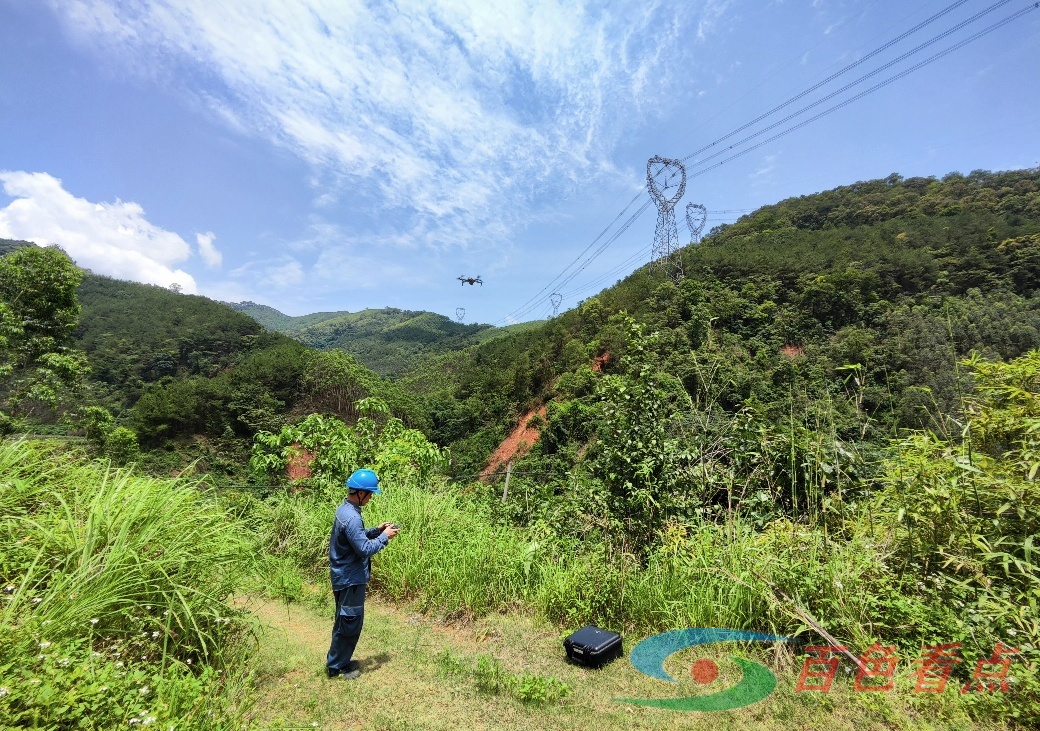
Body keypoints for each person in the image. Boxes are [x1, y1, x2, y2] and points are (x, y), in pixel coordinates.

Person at [326, 468, 399, 680]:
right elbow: (364, 549)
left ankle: (339, 660)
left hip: (344, 576)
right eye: (370, 494)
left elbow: (355, 537)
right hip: (350, 578)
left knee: (345, 620)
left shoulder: (345, 511)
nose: (370, 498)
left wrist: (376, 530)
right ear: (360, 493)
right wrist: (384, 537)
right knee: (349, 622)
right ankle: (336, 667)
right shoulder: (352, 517)